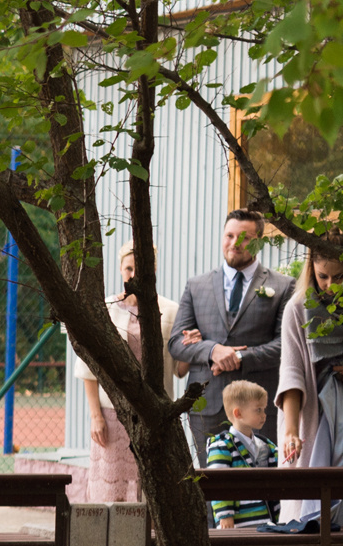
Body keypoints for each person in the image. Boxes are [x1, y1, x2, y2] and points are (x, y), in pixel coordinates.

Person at [170, 209, 292, 465]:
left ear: (259, 241)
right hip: (208, 402)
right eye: (229, 235)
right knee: (211, 484)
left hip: (260, 405)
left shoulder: (283, 286)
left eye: (244, 237)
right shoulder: (197, 286)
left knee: (262, 482)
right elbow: (176, 343)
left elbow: (285, 346)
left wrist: (238, 356)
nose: (234, 243)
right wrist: (213, 350)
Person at [271, 245, 343, 546]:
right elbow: (293, 374)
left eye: (339, 277)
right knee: (299, 513)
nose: (331, 286)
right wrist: (291, 431)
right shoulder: (298, 309)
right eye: (323, 277)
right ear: (311, 271)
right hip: (314, 421)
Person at [76, 244, 180, 505]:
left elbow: (178, 368)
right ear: (121, 270)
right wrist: (95, 416)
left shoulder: (171, 310)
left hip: (153, 412)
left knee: (151, 486)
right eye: (128, 268)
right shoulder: (107, 308)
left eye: (140, 268)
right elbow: (90, 369)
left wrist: (189, 347)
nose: (133, 274)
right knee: (111, 489)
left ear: (153, 269)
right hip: (113, 413)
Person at [206, 380, 282, 546]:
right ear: (238, 413)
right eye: (258, 409)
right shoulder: (222, 444)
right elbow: (218, 483)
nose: (264, 414)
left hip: (264, 518)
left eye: (264, 409)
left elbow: (281, 466)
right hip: (236, 519)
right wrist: (224, 514)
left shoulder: (266, 446)